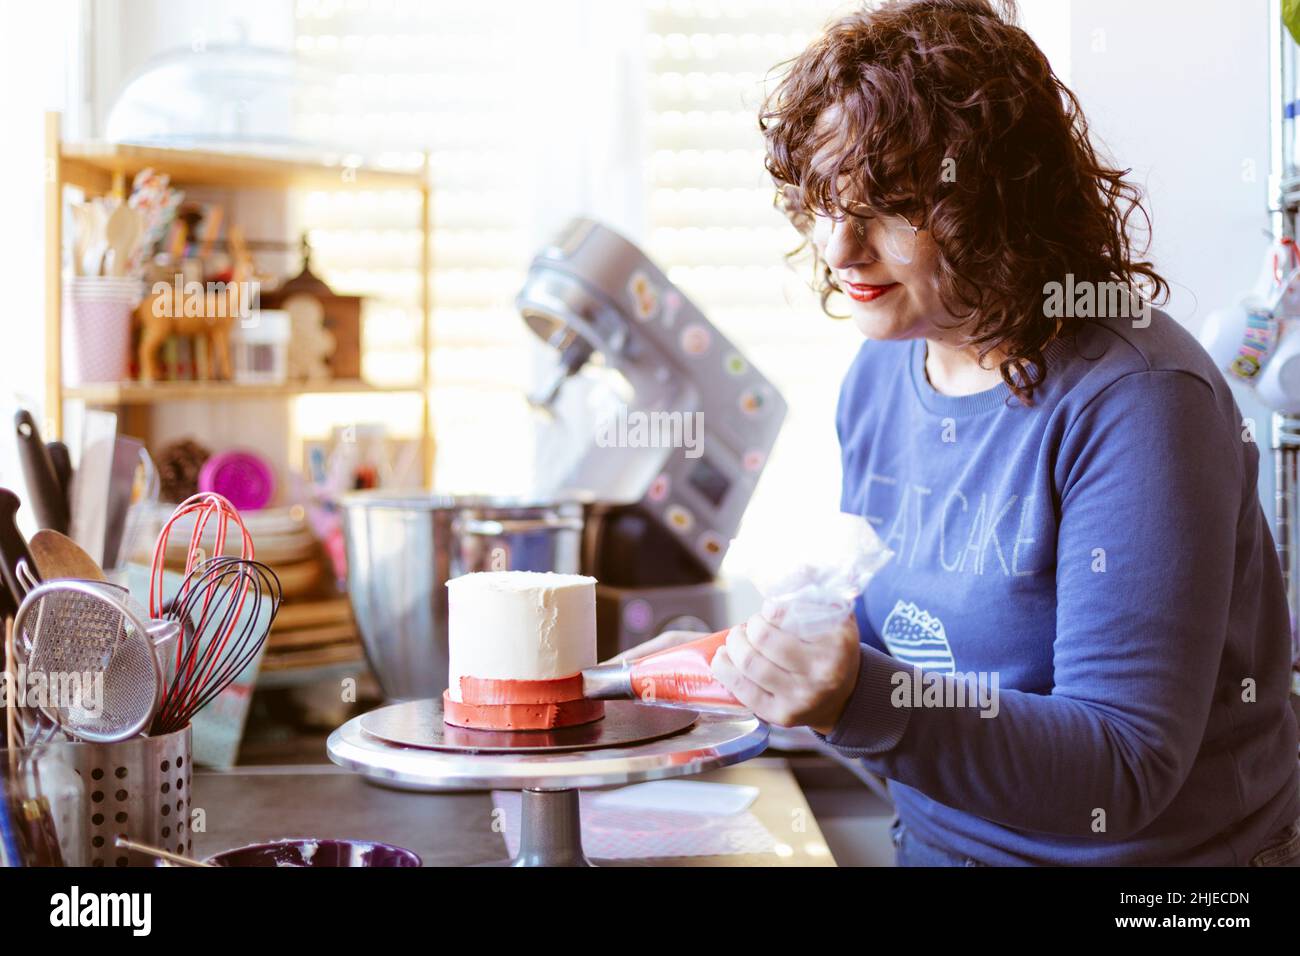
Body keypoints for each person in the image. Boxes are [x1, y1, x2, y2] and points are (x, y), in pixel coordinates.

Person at [629, 0, 1300, 866]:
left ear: (997, 200)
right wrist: (739, 669)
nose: (839, 247)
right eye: (823, 200)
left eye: (886, 205)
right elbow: (890, 658)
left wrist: (850, 699)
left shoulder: (1138, 402)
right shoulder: (881, 374)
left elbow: (1123, 770)